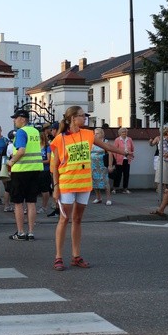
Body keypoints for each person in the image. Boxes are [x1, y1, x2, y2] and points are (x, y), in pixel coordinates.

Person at [50, 106, 129, 271]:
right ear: (72, 118)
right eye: (81, 116)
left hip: (84, 184)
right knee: (64, 219)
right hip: (67, 184)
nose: (84, 118)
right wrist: (56, 187)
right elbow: (55, 166)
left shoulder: (88, 134)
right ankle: (58, 257)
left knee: (78, 220)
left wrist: (124, 152)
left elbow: (107, 147)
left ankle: (76, 256)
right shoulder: (60, 139)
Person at [6, 109, 43, 240]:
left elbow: (21, 151)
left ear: (23, 119)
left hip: (21, 170)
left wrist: (11, 161)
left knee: (18, 202)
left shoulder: (21, 132)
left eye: (15, 118)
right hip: (35, 169)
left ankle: (21, 232)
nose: (14, 120)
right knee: (31, 202)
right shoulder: (35, 131)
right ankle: (31, 232)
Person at [90, 127, 113, 205]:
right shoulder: (92, 142)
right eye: (95, 133)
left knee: (105, 181)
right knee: (94, 181)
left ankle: (108, 199)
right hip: (93, 165)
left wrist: (110, 165)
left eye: (97, 133)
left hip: (102, 165)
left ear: (102, 134)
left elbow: (110, 153)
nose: (95, 135)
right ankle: (98, 198)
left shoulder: (105, 142)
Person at [112, 127, 134, 193]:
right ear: (120, 133)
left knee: (126, 174)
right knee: (118, 175)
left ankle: (125, 188)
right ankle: (115, 188)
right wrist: (115, 159)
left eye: (125, 132)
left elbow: (132, 148)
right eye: (123, 132)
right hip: (119, 159)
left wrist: (130, 153)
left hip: (127, 159)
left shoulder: (129, 139)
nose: (124, 133)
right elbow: (114, 150)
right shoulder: (117, 140)